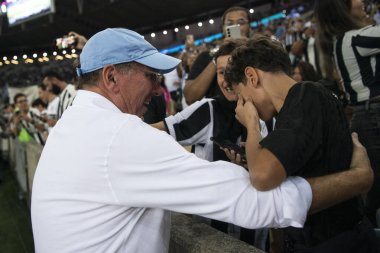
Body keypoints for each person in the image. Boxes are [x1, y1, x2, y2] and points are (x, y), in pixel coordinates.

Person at [31, 28, 373, 253]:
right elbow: (258, 202)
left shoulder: (72, 127)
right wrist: (359, 178)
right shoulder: (119, 137)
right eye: (151, 76)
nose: (156, 89)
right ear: (111, 77)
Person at [224, 35, 376, 252]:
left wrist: (251, 124)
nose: (241, 105)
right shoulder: (299, 104)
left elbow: (263, 176)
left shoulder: (306, 95)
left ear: (251, 76)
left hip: (336, 242)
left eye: (241, 95)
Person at [152, 39, 265, 246]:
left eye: (233, 70)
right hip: (212, 235)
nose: (226, 79)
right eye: (221, 72)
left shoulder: (269, 113)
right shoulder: (209, 110)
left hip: (256, 234)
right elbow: (163, 129)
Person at [315, 0, 380, 227]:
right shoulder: (355, 37)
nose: (362, 1)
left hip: (368, 115)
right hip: (374, 116)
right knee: (374, 198)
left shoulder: (345, 39)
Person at [183, 6, 252, 105]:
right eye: (229, 24)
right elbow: (190, 98)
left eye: (241, 23)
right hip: (220, 118)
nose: (235, 26)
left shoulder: (260, 51)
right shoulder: (207, 56)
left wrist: (251, 50)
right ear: (223, 29)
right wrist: (218, 56)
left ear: (249, 26)